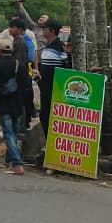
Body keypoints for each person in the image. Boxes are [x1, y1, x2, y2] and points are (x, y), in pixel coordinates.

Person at [0, 36, 28, 175]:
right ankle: (8, 160)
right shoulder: (19, 64)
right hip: (17, 102)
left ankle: (17, 164)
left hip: (3, 102)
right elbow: (26, 84)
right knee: (14, 132)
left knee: (8, 133)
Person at [35, 17, 72, 148]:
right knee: (44, 117)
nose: (42, 31)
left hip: (55, 90)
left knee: (50, 118)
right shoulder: (47, 48)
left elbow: (67, 69)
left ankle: (54, 146)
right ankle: (50, 144)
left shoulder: (60, 48)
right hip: (45, 89)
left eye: (44, 29)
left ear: (51, 30)